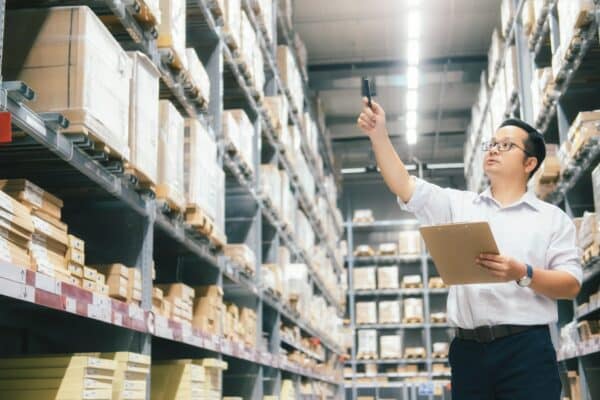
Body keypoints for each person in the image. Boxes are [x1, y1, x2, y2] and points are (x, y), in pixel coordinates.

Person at [357, 98, 581, 399]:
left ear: (529, 163)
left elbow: (570, 284)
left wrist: (522, 273)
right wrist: (378, 134)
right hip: (468, 352)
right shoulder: (458, 205)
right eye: (492, 143)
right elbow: (404, 184)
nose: (493, 149)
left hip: (526, 350)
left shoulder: (552, 219)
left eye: (506, 146)